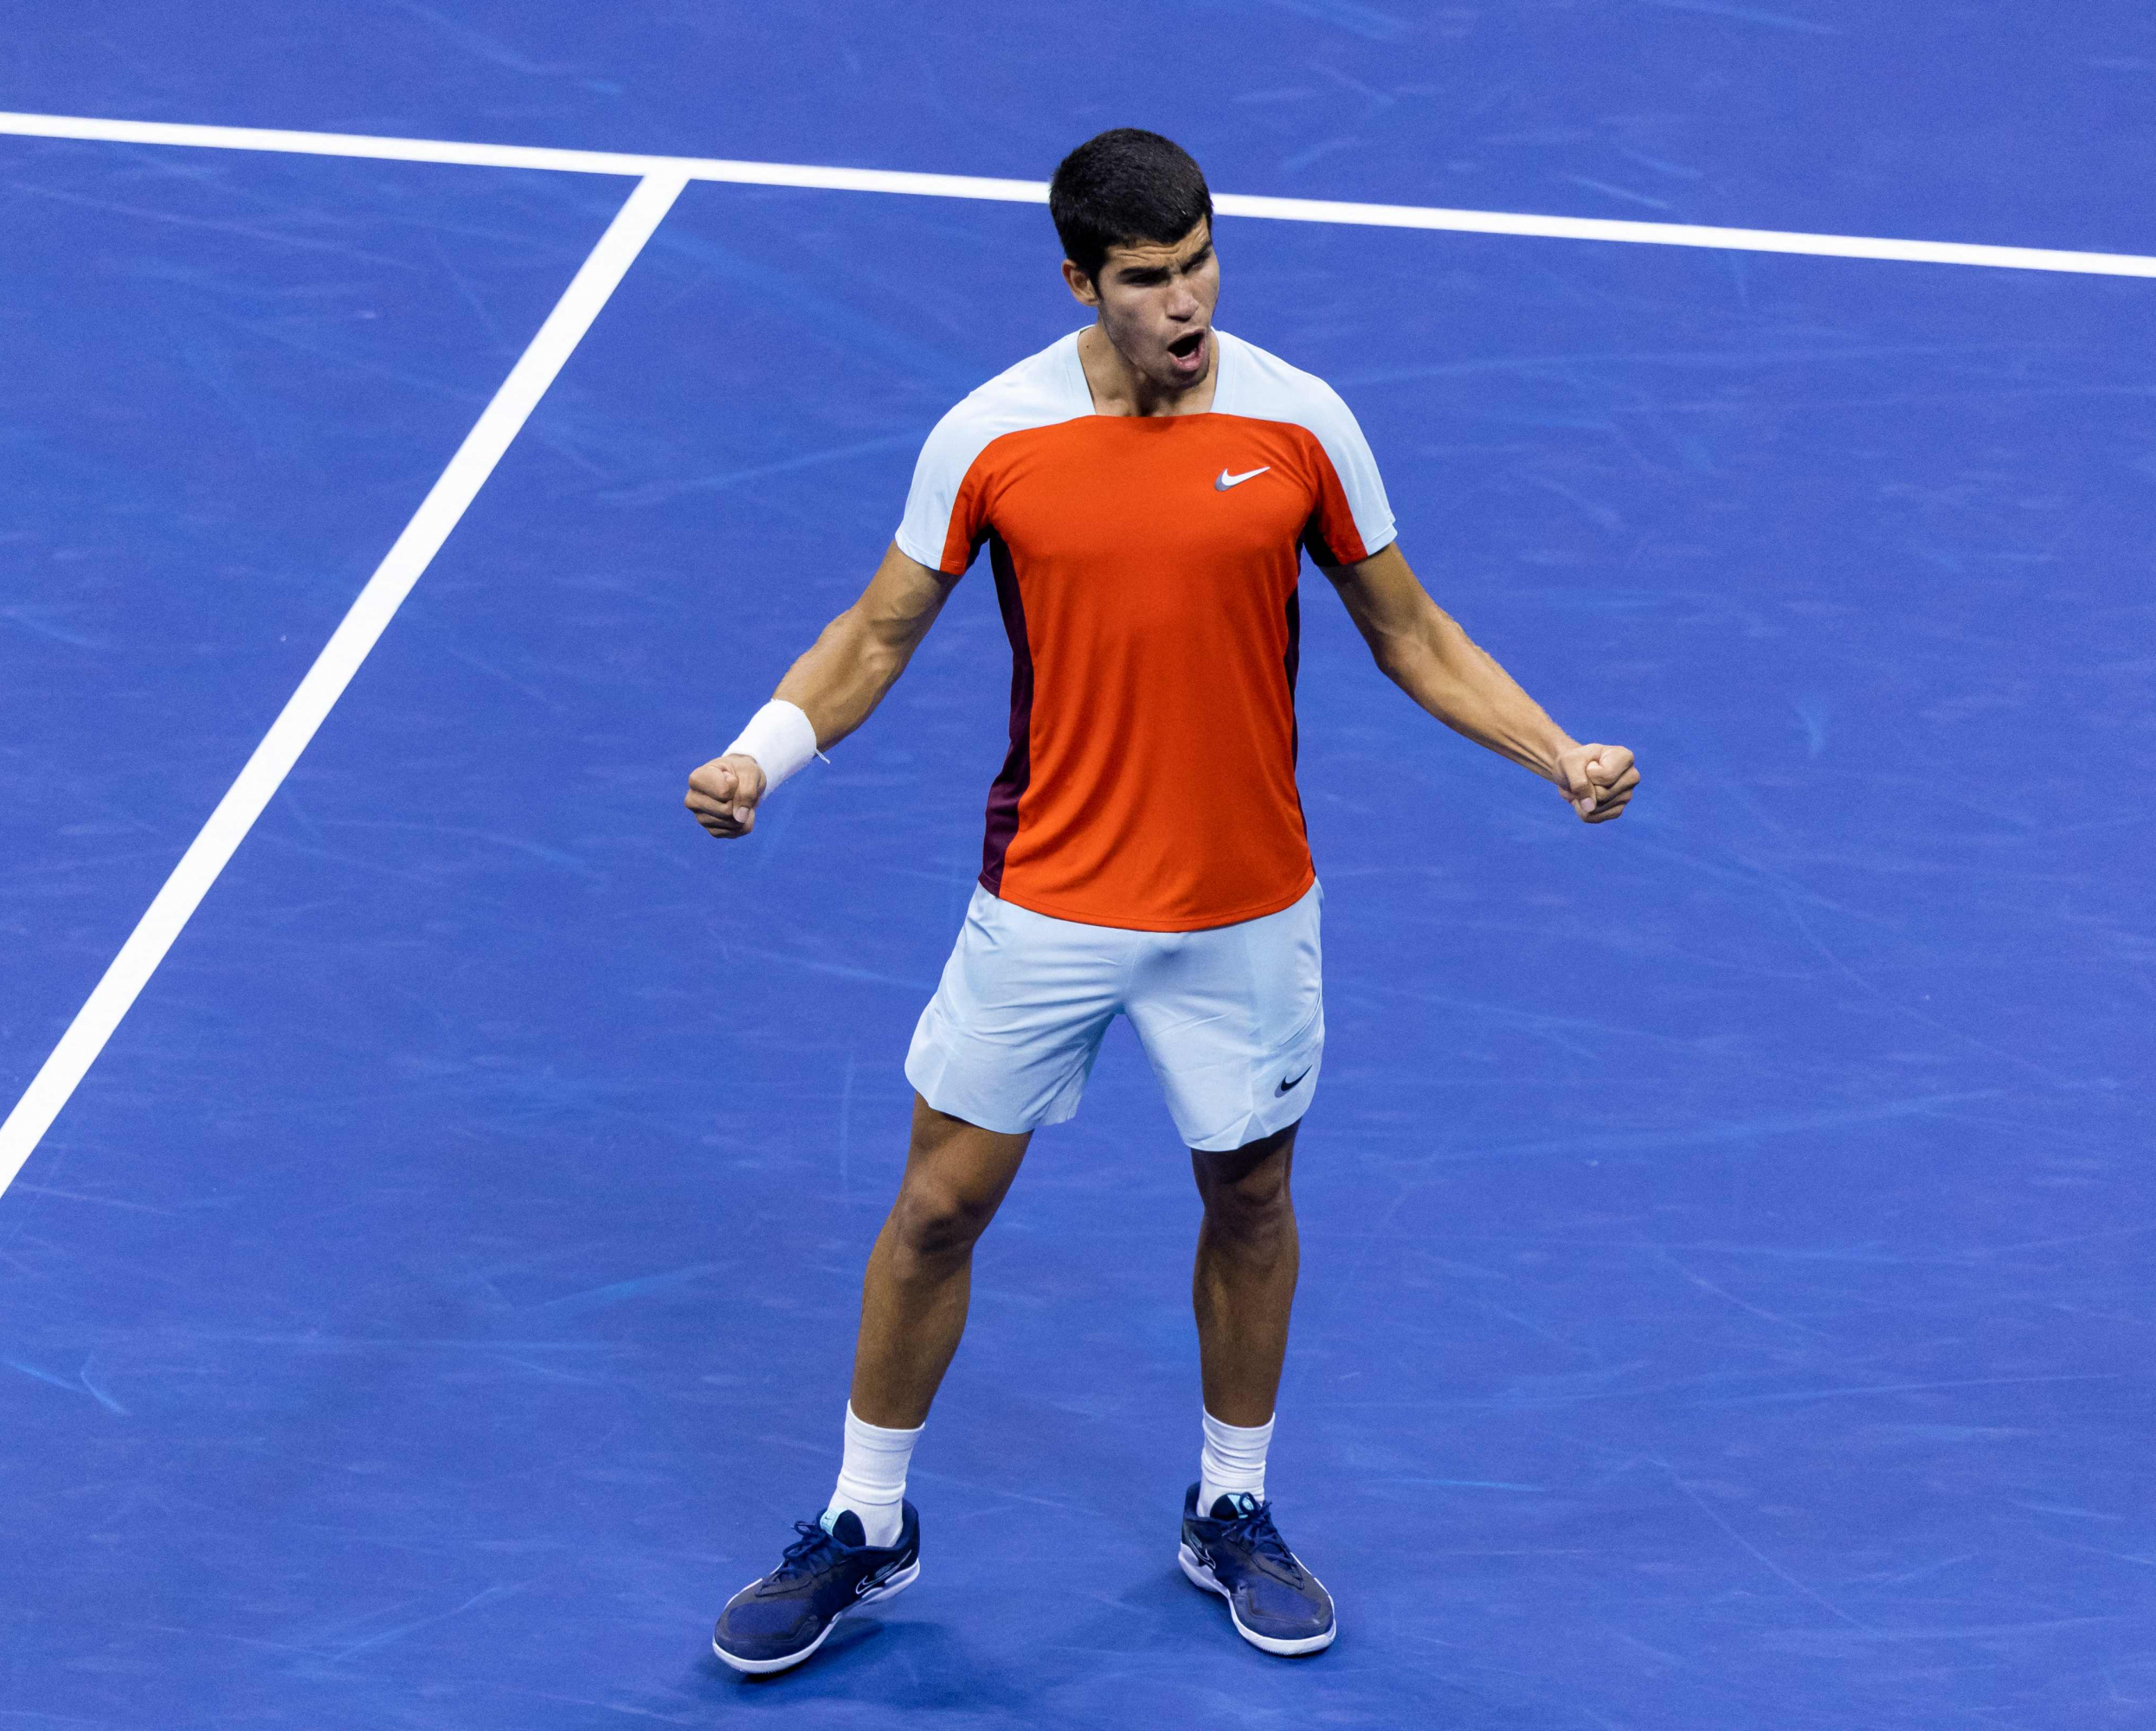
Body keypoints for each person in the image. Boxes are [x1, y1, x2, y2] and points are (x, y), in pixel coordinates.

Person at [684, 126, 1639, 1674]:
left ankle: (1231, 1508)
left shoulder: (1302, 420)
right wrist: (757, 758)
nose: (1187, 302)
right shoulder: (990, 435)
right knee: (936, 1210)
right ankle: (866, 1523)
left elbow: (1409, 630)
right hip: (1049, 899)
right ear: (1082, 280)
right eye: (1149, 278)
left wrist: (1556, 752)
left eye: (1201, 263)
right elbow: (873, 637)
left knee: (1250, 1202)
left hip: (1248, 905)